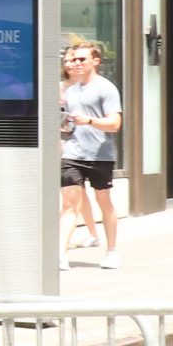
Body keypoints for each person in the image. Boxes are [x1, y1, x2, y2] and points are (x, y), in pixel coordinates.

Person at [56, 42, 124, 272]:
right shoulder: (71, 91)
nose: (76, 63)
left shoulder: (106, 88)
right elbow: (69, 123)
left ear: (95, 61)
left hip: (100, 155)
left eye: (81, 59)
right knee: (68, 204)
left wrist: (90, 121)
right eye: (74, 59)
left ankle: (112, 251)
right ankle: (61, 254)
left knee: (104, 201)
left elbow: (115, 123)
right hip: (73, 153)